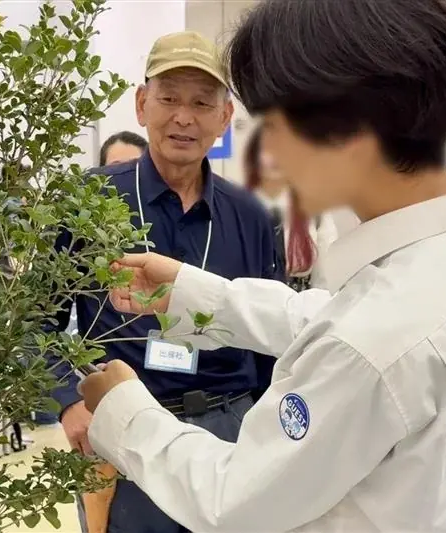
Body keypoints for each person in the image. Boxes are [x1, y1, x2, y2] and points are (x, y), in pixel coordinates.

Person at [78, 0, 446, 531]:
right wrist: (193, 293)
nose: (267, 154)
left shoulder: (371, 346)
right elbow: (333, 317)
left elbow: (233, 499)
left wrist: (122, 412)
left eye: (275, 127)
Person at [47, 31, 278, 533]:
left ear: (224, 117)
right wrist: (68, 402)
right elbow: (32, 322)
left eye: (201, 102)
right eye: (169, 98)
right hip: (122, 431)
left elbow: (269, 341)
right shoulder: (86, 202)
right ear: (141, 103)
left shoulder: (251, 215)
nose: (183, 116)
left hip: (229, 432)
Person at [243, 128, 338, 291]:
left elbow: (326, 276)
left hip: (301, 303)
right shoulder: (240, 207)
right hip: (254, 301)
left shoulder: (314, 210)